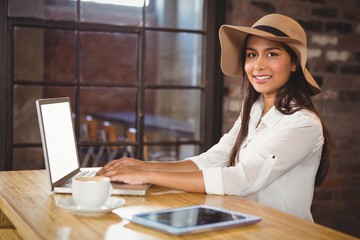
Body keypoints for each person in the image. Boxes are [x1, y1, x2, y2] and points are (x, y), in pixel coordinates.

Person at [97, 14, 331, 221]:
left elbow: (241, 179)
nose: (258, 65)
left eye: (272, 54)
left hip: (283, 233)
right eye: (252, 55)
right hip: (244, 223)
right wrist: (143, 166)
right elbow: (214, 158)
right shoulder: (255, 111)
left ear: (293, 64)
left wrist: (147, 175)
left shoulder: (303, 124)